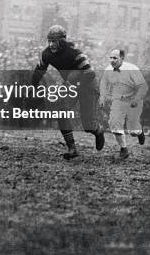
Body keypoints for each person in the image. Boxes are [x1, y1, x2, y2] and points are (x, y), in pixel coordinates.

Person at [32, 25, 105, 159]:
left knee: (88, 125)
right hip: (72, 85)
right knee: (61, 110)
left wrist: (73, 84)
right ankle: (72, 148)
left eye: (54, 41)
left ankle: (98, 130)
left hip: (87, 85)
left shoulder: (75, 53)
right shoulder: (47, 53)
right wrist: (32, 85)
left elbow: (90, 73)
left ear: (62, 41)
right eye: (49, 41)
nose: (51, 44)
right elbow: (39, 70)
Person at [99, 48, 148, 159]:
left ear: (122, 58)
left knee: (132, 130)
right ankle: (123, 149)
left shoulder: (132, 69)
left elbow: (143, 86)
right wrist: (102, 97)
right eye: (110, 58)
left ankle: (139, 132)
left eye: (115, 58)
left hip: (133, 100)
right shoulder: (108, 70)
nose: (112, 60)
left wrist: (136, 99)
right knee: (114, 123)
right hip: (118, 100)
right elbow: (104, 83)